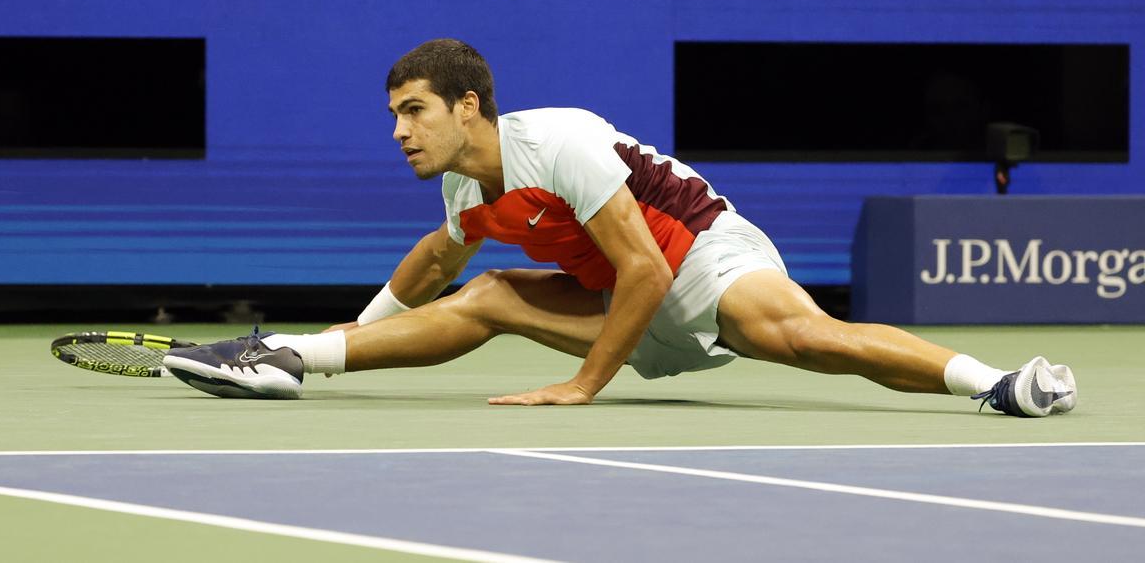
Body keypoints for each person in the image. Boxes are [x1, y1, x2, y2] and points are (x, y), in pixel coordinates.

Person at [162, 38, 1076, 417]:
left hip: (704, 259)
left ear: (467, 105)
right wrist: (344, 335)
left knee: (797, 335)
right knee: (483, 291)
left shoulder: (558, 140)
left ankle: (999, 384)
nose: (399, 132)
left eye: (413, 111)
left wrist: (584, 383)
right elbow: (438, 258)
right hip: (629, 301)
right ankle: (285, 354)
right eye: (394, 116)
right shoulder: (468, 191)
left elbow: (643, 267)